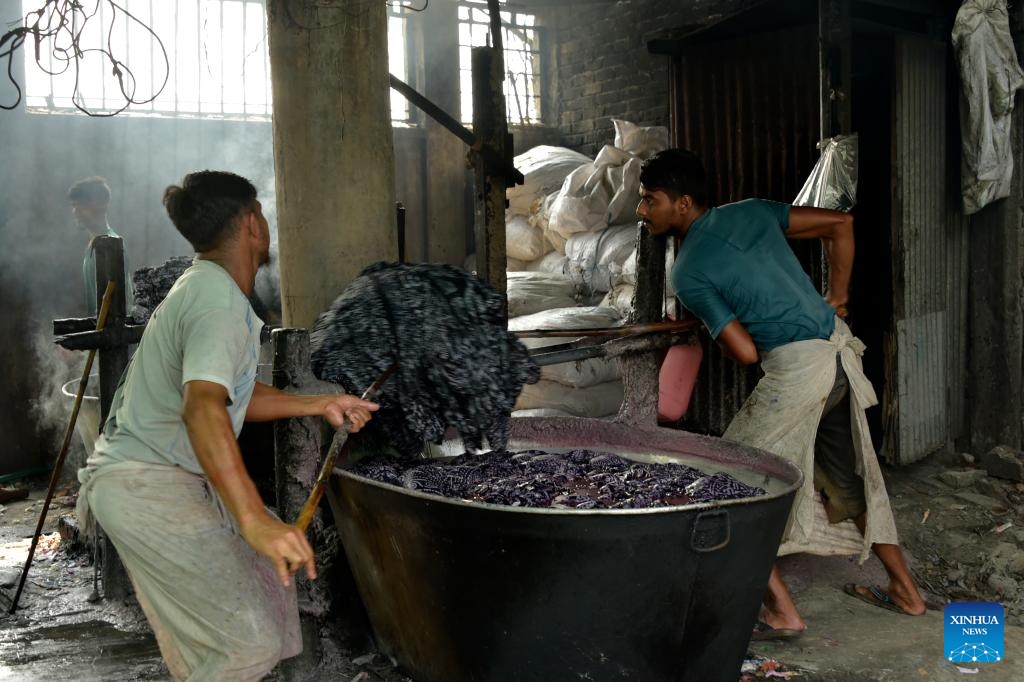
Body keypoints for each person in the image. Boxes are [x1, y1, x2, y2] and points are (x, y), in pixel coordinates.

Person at [76, 171, 379, 680]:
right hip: (146, 484)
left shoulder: (208, 290)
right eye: (262, 213)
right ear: (252, 223)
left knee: (264, 600)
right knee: (247, 644)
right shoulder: (215, 303)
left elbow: (229, 395)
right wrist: (255, 520)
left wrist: (321, 402)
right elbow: (202, 409)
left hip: (157, 479)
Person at [635, 149, 926, 640]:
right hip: (837, 358)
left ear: (683, 204)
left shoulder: (687, 271)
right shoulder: (751, 210)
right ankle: (906, 593)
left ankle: (782, 612)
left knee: (726, 478)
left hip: (798, 372)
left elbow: (746, 354)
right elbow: (841, 224)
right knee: (849, 478)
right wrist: (838, 295)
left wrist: (710, 326)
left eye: (650, 200)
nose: (642, 211)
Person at [67, 175, 135, 315]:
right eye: (74, 206)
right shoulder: (93, 244)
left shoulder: (112, 245)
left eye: (82, 205)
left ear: (101, 205)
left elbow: (119, 308)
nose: (76, 211)